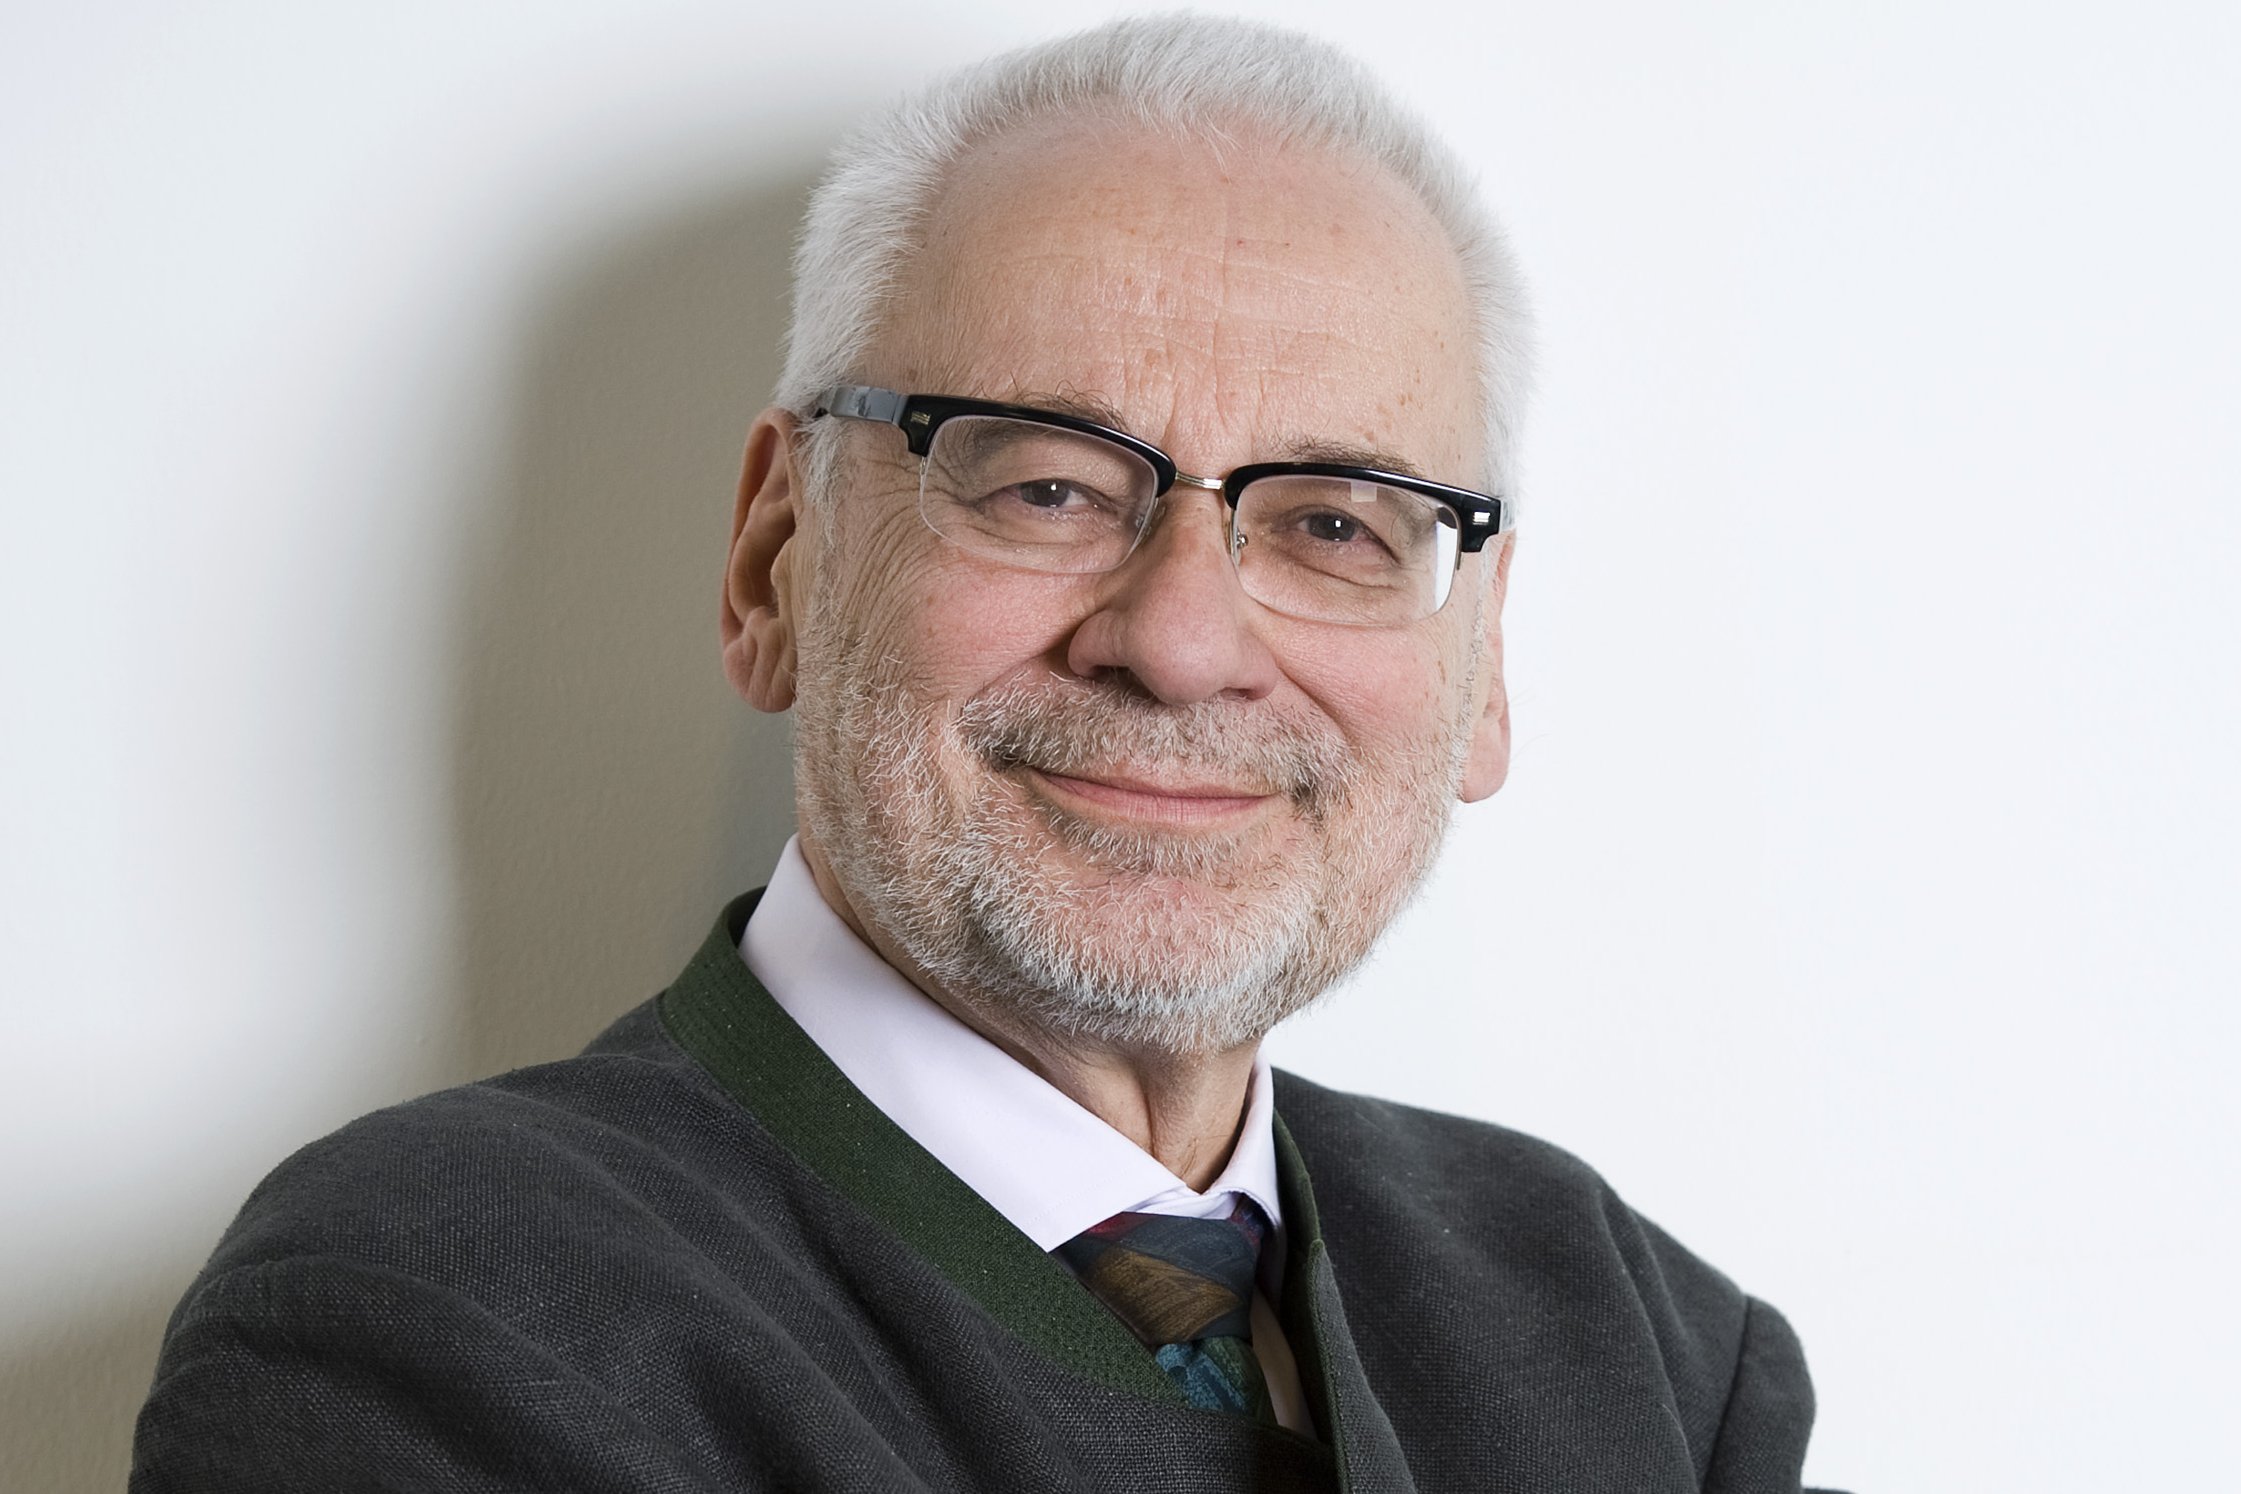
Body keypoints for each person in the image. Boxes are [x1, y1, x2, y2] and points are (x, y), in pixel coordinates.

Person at [131, 16, 1828, 1491]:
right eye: (1047, 485)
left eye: (1334, 523)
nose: (1181, 640)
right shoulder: (434, 1313)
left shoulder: (1635, 1340)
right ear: (776, 562)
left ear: (1483, 664)